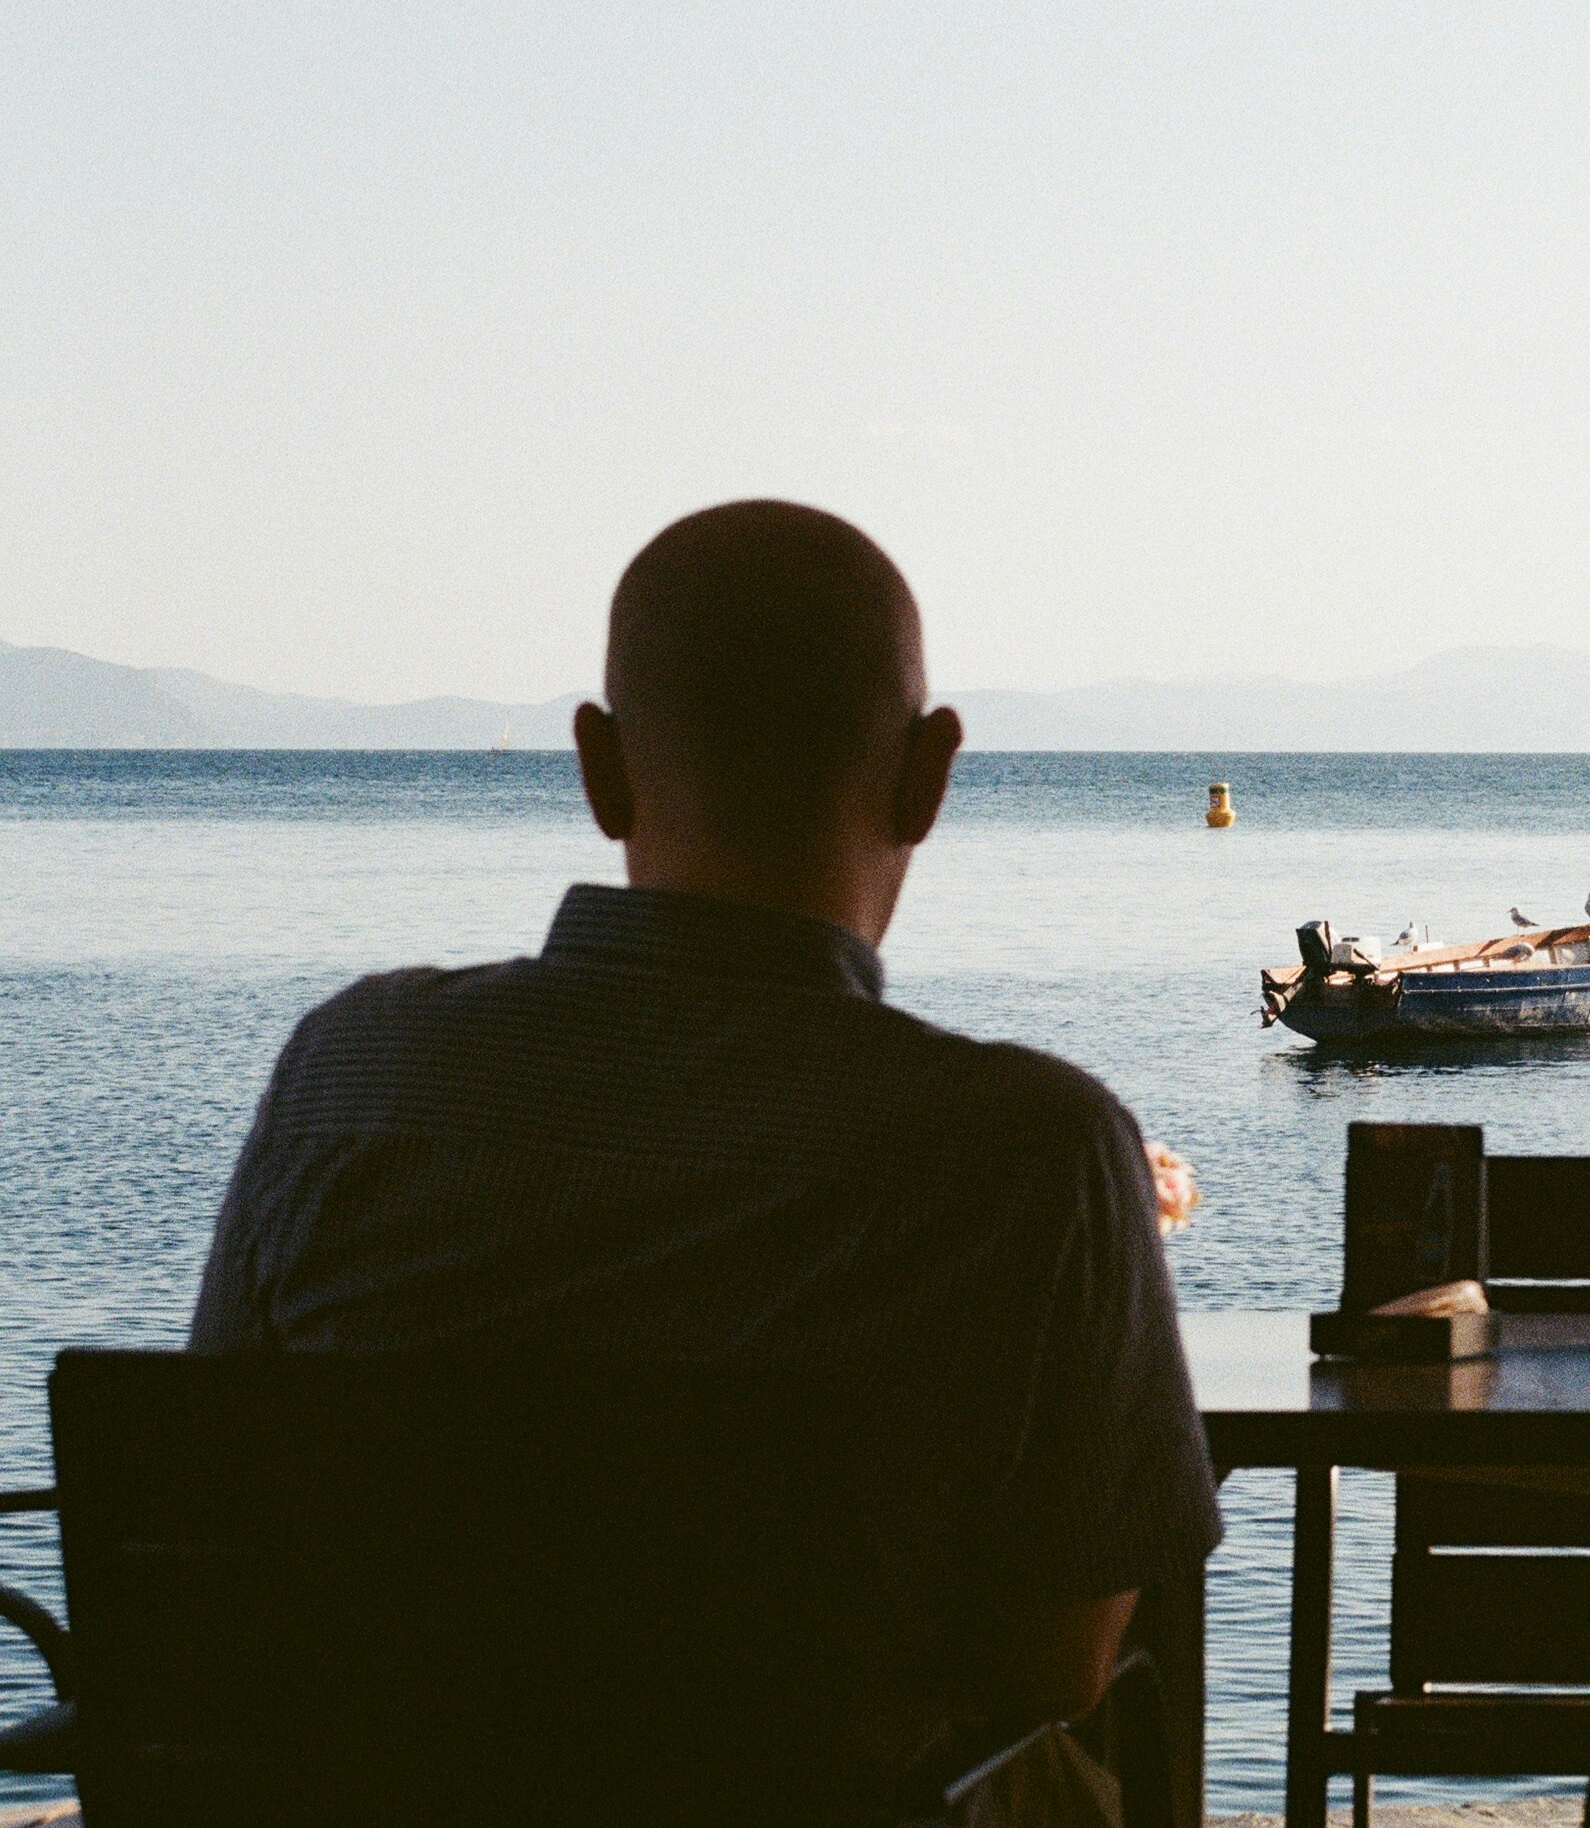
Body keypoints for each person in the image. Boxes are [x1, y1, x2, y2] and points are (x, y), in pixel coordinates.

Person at [190, 499, 1219, 1818]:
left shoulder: (348, 1073)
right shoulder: (1029, 1148)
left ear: (599, 769)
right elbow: (1052, 1659)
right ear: (929, 779)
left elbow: (223, 1515)